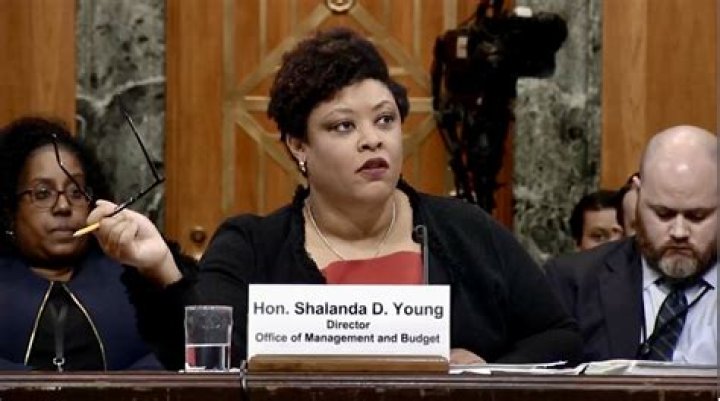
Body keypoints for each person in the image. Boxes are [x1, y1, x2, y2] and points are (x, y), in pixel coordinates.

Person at [89, 27, 580, 369]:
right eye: (344, 126)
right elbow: (210, 359)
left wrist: (484, 371)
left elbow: (559, 336)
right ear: (299, 146)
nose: (373, 140)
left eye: (385, 120)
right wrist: (161, 269)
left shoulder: (466, 231)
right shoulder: (253, 245)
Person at [0, 117, 163, 370]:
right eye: (42, 193)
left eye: (76, 192)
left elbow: (175, 356)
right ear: (10, 212)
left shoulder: (131, 281)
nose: (63, 206)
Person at [545, 125, 717, 364]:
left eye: (697, 216)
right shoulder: (575, 282)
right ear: (637, 194)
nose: (679, 232)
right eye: (663, 214)